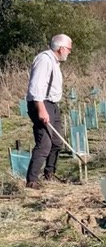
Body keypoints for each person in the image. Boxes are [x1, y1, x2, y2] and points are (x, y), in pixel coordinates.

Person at [25, 34, 73, 189]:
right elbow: (36, 85)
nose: (69, 53)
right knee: (44, 143)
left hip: (52, 104)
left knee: (57, 142)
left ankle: (49, 174)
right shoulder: (44, 60)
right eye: (69, 49)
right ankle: (31, 181)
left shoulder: (54, 62)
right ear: (61, 48)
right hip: (41, 103)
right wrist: (41, 109)